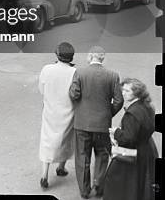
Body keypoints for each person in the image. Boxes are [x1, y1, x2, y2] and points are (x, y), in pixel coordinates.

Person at [69, 46, 124, 198]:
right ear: (102, 58)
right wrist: (108, 113)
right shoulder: (112, 75)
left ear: (90, 56)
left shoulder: (79, 72)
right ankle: (98, 186)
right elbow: (119, 100)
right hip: (102, 124)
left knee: (82, 157)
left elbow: (74, 94)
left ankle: (85, 191)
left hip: (82, 123)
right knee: (102, 155)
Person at [103, 78, 158, 200]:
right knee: (141, 184)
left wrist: (116, 132)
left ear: (137, 93)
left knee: (120, 185)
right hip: (146, 149)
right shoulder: (147, 107)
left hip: (133, 153)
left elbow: (128, 138)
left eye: (127, 91)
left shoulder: (132, 113)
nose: (123, 93)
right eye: (123, 90)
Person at [38, 42, 76, 190]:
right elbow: (76, 93)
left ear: (57, 55)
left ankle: (44, 175)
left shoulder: (47, 69)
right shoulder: (74, 72)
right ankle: (61, 167)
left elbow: (42, 89)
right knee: (66, 139)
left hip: (50, 110)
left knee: (47, 140)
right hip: (68, 110)